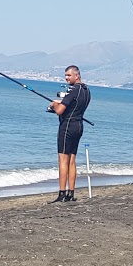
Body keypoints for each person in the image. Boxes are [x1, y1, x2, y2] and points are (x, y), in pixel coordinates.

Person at [47, 65, 91, 203]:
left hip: (67, 126)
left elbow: (60, 110)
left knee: (63, 160)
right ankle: (71, 193)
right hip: (78, 126)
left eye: (69, 75)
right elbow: (75, 106)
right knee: (72, 160)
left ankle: (62, 193)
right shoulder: (86, 90)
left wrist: (53, 104)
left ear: (77, 76)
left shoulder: (73, 90)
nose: (66, 78)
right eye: (65, 75)